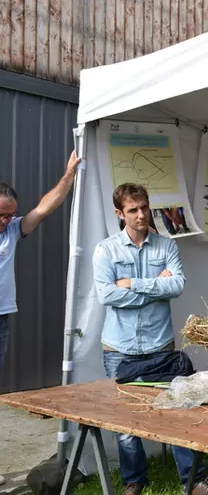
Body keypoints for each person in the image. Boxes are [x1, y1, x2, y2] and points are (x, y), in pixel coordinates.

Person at [91, 183, 208, 495]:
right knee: (125, 423)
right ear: (119, 214)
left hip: (160, 346)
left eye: (144, 208)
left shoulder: (166, 246)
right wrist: (153, 287)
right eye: (132, 210)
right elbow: (106, 294)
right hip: (119, 349)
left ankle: (194, 483)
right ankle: (134, 482)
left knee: (178, 414)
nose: (141, 215)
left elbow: (176, 286)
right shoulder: (105, 249)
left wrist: (132, 284)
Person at [0, 150, 81, 487]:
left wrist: (69, 175)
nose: (6, 221)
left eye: (10, 215)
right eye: (1, 215)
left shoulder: (13, 232)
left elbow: (44, 209)